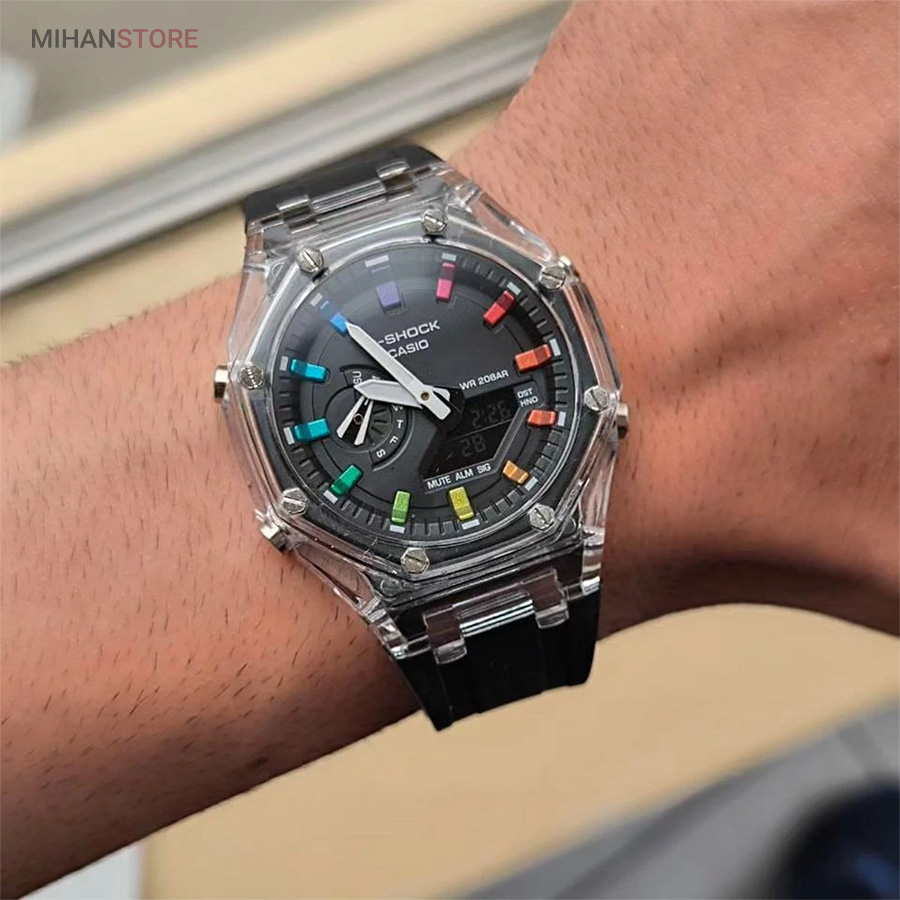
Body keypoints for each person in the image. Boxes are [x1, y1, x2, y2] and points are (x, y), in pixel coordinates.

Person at [2, 2, 897, 896]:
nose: (430, 402)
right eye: (403, 394)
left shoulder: (521, 320)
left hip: (511, 496)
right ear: (240, 389)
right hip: (406, 535)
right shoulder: (287, 399)